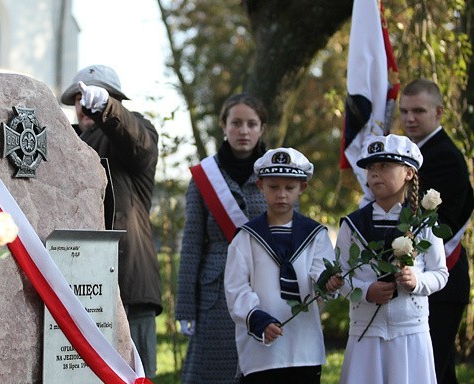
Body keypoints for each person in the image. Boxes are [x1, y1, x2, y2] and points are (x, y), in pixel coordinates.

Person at [60, 65, 162, 378]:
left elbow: (137, 140)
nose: (83, 104)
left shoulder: (134, 133)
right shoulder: (68, 143)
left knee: (135, 374)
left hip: (129, 285)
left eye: (90, 96)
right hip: (81, 286)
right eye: (78, 98)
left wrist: (107, 109)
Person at [335, 134, 448, 384]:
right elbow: (339, 276)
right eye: (371, 168)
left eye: (385, 166)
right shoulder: (352, 225)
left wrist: (416, 281)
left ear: (408, 173)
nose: (375, 173)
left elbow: (440, 273)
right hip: (367, 332)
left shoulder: (424, 223)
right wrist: (366, 291)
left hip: (410, 331)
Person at [175, 93, 268, 383]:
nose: (243, 130)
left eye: (251, 124)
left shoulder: (276, 174)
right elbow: (191, 245)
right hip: (216, 294)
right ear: (223, 126)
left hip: (263, 287)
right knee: (212, 373)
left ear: (262, 128)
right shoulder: (205, 177)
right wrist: (185, 307)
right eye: (236, 122)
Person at [224, 148, 334, 383]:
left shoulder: (316, 235)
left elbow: (321, 271)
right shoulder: (246, 237)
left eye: (289, 187)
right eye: (273, 187)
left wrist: (329, 281)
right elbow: (236, 289)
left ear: (302, 188)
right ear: (260, 186)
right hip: (261, 351)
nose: (281, 194)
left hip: (304, 347)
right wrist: (257, 319)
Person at [399, 79, 474, 384]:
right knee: (440, 372)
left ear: (439, 112)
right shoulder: (415, 151)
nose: (409, 118)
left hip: (441, 279)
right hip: (432, 281)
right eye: (404, 111)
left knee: (429, 371)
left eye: (418, 111)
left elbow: (439, 223)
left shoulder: (443, 156)